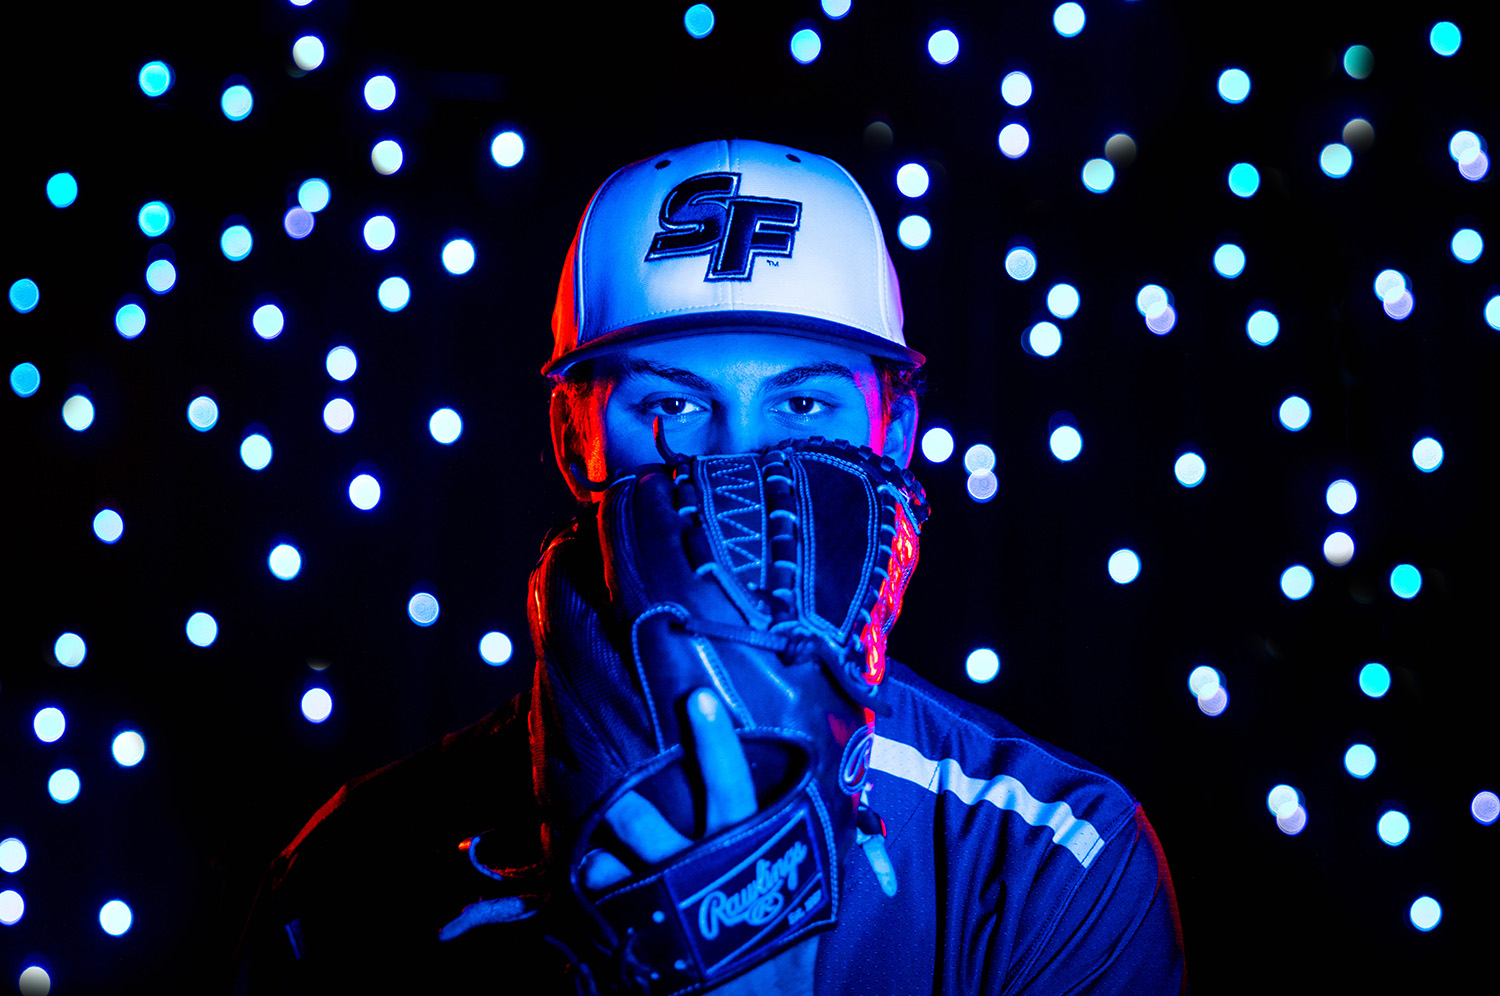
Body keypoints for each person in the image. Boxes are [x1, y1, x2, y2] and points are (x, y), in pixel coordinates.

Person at [235, 138, 1187, 994]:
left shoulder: (1047, 863)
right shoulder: (354, 872)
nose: (739, 463)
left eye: (805, 408)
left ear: (894, 431)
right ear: (574, 439)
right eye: (675, 409)